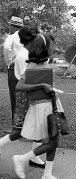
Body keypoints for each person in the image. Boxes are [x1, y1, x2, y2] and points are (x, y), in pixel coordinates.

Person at [13, 33, 63, 179]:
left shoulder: (43, 62)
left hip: (50, 104)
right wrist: (41, 85)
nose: (53, 47)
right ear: (44, 47)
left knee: (54, 141)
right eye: (51, 45)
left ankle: (47, 174)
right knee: (53, 142)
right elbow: (19, 86)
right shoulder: (33, 65)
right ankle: (21, 159)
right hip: (42, 108)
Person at [0, 26, 46, 168]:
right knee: (19, 130)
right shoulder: (25, 55)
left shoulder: (22, 52)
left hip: (26, 93)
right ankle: (32, 157)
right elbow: (30, 77)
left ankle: (35, 157)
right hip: (27, 93)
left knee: (39, 126)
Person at [3, 16, 23, 131]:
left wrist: (9, 62)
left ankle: (16, 127)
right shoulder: (28, 37)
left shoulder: (11, 37)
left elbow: (6, 47)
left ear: (14, 26)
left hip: (14, 68)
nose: (9, 27)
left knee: (14, 97)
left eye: (10, 25)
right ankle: (28, 126)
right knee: (26, 96)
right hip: (26, 69)